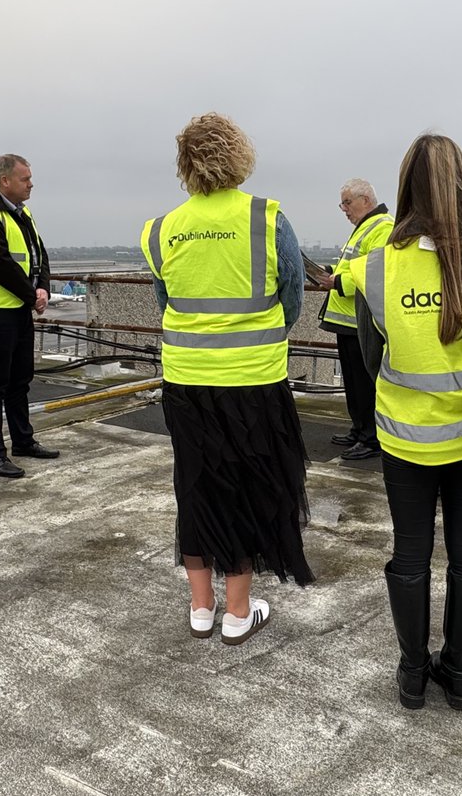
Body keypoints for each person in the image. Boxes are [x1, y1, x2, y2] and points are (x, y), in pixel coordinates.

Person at [348, 133, 462, 711]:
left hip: (404, 438)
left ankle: (413, 673)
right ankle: (458, 674)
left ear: (405, 186)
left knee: (410, 553)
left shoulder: (375, 267)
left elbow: (369, 355)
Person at [140, 112, 313, 646]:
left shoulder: (161, 228)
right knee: (250, 488)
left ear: (184, 165)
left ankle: (200, 606)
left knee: (195, 485)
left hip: (187, 383)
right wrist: (261, 337)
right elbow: (293, 296)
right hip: (254, 382)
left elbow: (166, 302)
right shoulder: (266, 217)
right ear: (239, 156)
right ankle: (238, 613)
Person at [0, 154, 59, 478]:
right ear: (5, 181)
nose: (31, 183)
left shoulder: (24, 214)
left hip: (19, 311)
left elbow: (39, 255)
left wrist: (43, 287)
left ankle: (23, 440)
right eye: (25, 178)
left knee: (20, 379)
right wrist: (32, 295)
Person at [313, 179, 393, 461]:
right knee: (353, 381)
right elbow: (353, 267)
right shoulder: (365, 227)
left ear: (366, 200)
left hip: (362, 323)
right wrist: (328, 272)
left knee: (364, 382)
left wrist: (339, 282)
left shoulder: (382, 227)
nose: (344, 209)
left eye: (347, 202)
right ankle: (360, 429)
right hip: (348, 322)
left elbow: (378, 274)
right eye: (342, 203)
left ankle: (372, 438)